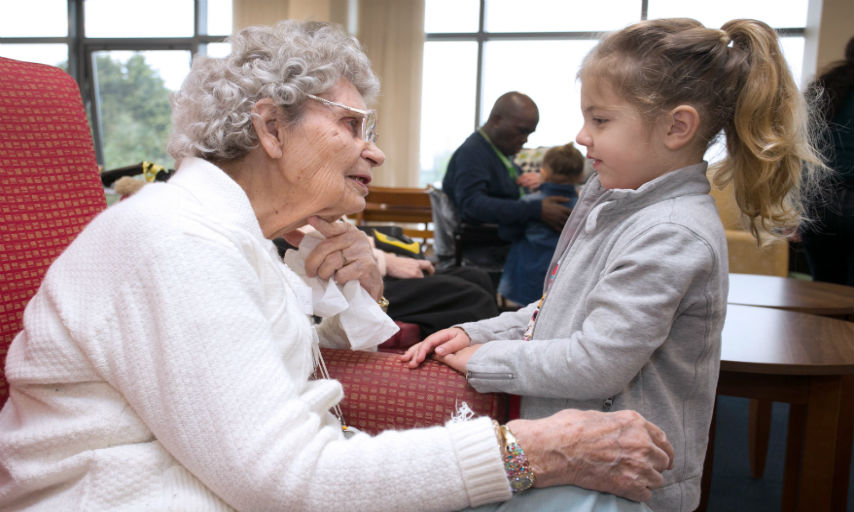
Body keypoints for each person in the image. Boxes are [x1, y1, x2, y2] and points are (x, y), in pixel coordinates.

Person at [0, 20, 675, 511]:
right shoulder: (175, 242)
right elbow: (285, 474)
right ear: (269, 129)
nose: (373, 152)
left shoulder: (232, 239)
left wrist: (344, 287)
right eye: (353, 126)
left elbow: (248, 378)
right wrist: (534, 450)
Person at [403, 18, 826, 512]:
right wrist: (481, 332)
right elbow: (558, 306)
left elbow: (597, 362)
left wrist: (484, 362)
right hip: (583, 462)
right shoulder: (615, 202)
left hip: (627, 486)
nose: (582, 136)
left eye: (600, 120)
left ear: (676, 127)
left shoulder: (672, 231)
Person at [441, 92, 573, 268]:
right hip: (486, 248)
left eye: (529, 133)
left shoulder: (500, 152)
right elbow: (471, 206)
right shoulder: (472, 154)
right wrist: (536, 210)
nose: (525, 139)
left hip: (503, 242)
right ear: (496, 120)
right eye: (521, 131)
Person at [498, 142, 585, 306]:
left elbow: (506, 233)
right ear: (581, 176)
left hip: (524, 281)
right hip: (561, 282)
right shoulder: (583, 208)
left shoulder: (529, 203)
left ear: (543, 173)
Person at [800, 35, 854, 285]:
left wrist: (794, 208)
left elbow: (801, 150)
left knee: (824, 292)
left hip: (818, 204)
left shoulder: (826, 86)